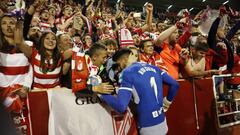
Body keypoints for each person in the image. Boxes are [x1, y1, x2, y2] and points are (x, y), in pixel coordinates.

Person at [100, 52, 179, 135]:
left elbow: (121, 106)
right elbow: (175, 84)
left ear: (123, 60)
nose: (118, 68)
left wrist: (102, 94)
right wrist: (167, 102)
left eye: (118, 64)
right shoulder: (155, 67)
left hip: (147, 126)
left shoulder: (127, 72)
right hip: (162, 121)